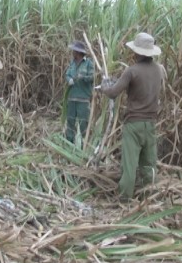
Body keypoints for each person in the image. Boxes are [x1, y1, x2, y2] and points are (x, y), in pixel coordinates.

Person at [99, 32, 163, 201]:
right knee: (149, 164)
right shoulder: (159, 70)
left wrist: (105, 86)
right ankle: (150, 196)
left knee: (129, 165)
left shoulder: (132, 71)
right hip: (150, 123)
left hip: (133, 124)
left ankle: (124, 198)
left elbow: (113, 93)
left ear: (138, 52)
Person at [65, 41, 94, 143]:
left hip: (83, 99)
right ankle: (69, 145)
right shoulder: (72, 63)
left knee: (83, 124)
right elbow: (67, 74)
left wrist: (83, 77)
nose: (73, 52)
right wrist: (69, 80)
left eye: (74, 50)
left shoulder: (89, 63)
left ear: (78, 52)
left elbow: (92, 77)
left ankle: (84, 146)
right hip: (72, 98)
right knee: (70, 123)